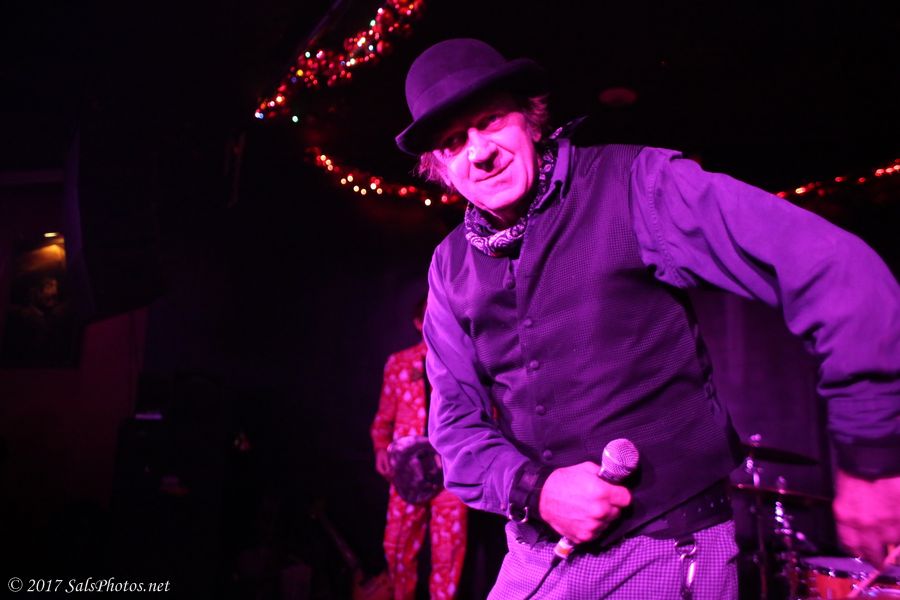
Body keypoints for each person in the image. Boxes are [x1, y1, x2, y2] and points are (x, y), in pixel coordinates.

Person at [393, 38, 900, 598]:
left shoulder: (639, 183)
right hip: (532, 557)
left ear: (531, 121)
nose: (479, 152)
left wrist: (872, 456)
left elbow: (835, 270)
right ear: (441, 168)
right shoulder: (448, 265)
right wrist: (535, 490)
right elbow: (454, 430)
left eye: (490, 121)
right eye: (453, 142)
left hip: (666, 547)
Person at [371, 297, 468, 599]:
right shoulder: (399, 363)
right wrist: (380, 449)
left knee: (449, 554)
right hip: (407, 471)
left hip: (451, 472)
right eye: (429, 315)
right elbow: (384, 418)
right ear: (417, 322)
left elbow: (484, 415)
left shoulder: (463, 363)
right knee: (397, 547)